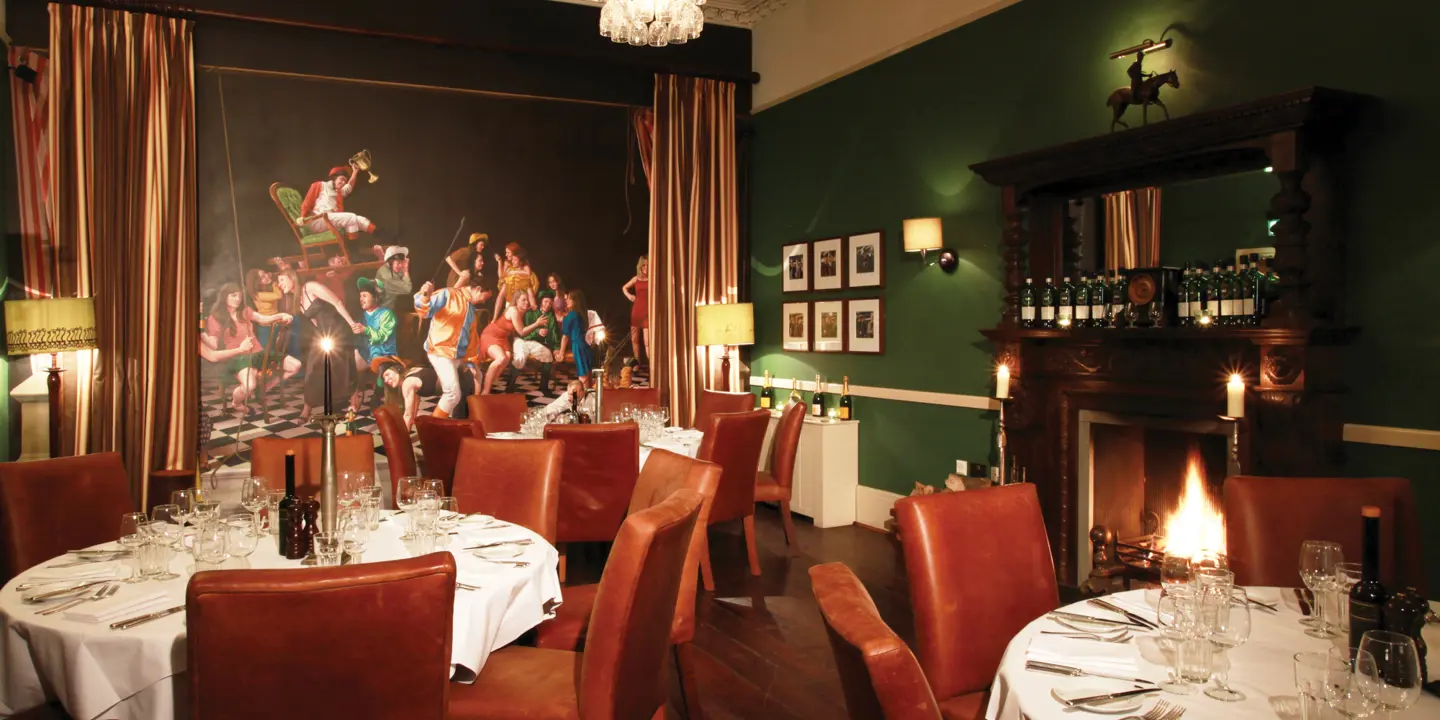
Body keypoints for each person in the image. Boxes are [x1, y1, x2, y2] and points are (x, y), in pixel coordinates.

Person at [203, 282, 295, 414]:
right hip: (238, 357)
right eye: (233, 295)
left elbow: (264, 319)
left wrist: (281, 315)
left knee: (294, 366)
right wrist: (202, 334)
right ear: (224, 297)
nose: (238, 299)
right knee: (249, 385)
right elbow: (213, 345)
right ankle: (236, 403)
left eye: (239, 296)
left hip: (258, 353)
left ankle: (263, 389)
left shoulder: (245, 311)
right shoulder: (215, 318)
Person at [414, 280, 487, 418]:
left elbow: (471, 339)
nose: (483, 301)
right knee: (452, 394)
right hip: (440, 351)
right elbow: (424, 311)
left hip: (456, 356)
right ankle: (433, 428)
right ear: (478, 289)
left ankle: (459, 422)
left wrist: (471, 363)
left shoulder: (471, 309)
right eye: (485, 297)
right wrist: (425, 296)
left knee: (475, 376)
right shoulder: (448, 294)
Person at [297, 276, 365, 421]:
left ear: (291, 278)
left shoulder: (310, 286)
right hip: (325, 334)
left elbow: (337, 302)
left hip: (339, 329)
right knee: (312, 368)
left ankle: (354, 401)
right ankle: (307, 407)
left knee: (345, 368)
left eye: (282, 279)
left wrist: (352, 324)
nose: (279, 284)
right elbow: (314, 321)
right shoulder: (298, 301)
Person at [298, 162, 376, 242]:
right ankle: (353, 248)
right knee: (351, 217)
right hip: (317, 221)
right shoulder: (319, 185)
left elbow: (349, 187)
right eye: (341, 179)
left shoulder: (339, 192)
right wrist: (302, 216)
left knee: (359, 219)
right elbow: (307, 202)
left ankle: (381, 234)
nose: (343, 183)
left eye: (345, 181)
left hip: (330, 221)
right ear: (334, 178)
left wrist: (355, 172)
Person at [511, 292, 557, 393]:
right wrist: (538, 332)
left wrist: (556, 349)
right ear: (541, 301)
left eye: (550, 303)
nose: (548, 305)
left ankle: (543, 387)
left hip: (533, 342)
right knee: (520, 357)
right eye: (545, 301)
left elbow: (554, 334)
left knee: (547, 354)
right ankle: (510, 387)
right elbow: (523, 333)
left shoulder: (551, 316)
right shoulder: (530, 312)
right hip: (521, 340)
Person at [558, 289, 595, 386]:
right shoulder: (584, 313)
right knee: (588, 373)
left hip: (578, 346)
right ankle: (588, 397)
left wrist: (561, 353)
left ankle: (581, 399)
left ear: (575, 301)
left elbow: (565, 337)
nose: (566, 301)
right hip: (586, 345)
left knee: (582, 375)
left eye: (569, 299)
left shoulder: (571, 315)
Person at [494, 242, 539, 318]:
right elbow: (501, 276)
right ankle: (495, 317)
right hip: (510, 290)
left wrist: (515, 272)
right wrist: (499, 262)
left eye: (508, 252)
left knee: (529, 291)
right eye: (506, 252)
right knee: (501, 295)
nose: (506, 254)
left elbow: (528, 273)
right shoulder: (507, 263)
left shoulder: (523, 263)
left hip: (522, 289)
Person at [622, 255, 650, 365]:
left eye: (648, 265)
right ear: (640, 266)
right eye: (644, 265)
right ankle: (636, 363)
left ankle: (651, 363)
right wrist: (629, 296)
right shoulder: (636, 278)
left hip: (648, 312)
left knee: (647, 341)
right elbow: (624, 288)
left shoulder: (653, 278)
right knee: (635, 340)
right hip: (637, 311)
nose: (646, 268)